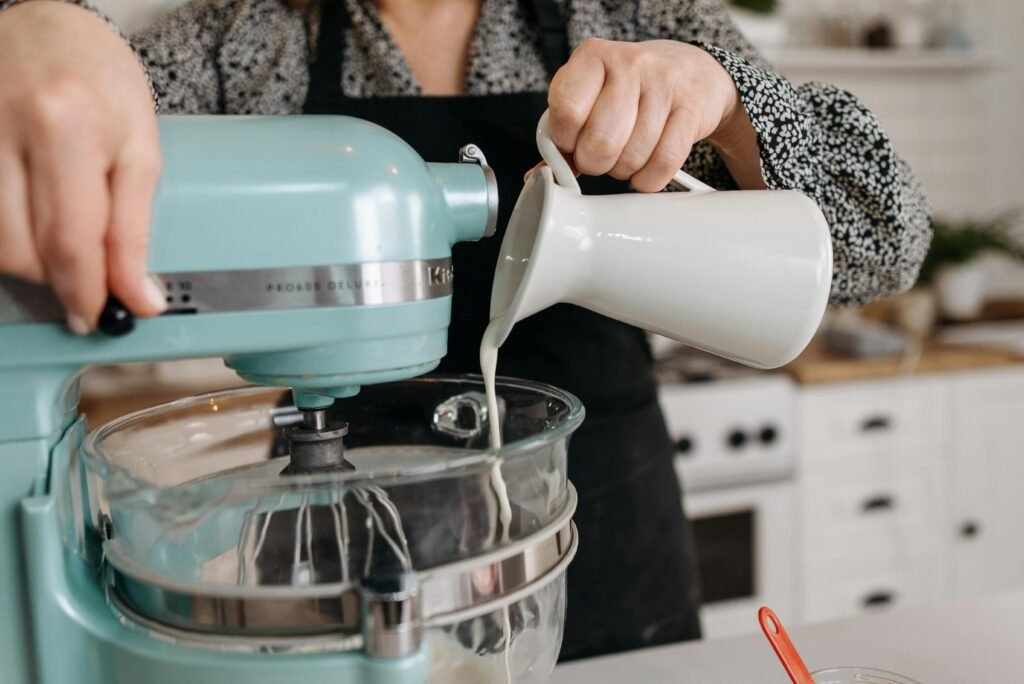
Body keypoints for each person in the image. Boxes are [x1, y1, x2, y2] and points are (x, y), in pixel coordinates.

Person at [0, 0, 930, 662]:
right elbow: (56, 150)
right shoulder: (241, 43)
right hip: (344, 540)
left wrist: (725, 107)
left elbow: (887, 241)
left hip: (602, 532)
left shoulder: (641, 17)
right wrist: (45, 25)